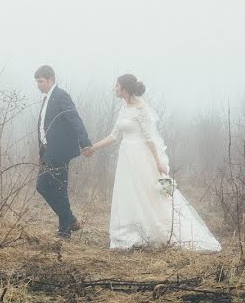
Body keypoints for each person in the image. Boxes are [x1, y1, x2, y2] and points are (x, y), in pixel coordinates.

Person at [85, 74, 221, 251]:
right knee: (129, 193)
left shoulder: (141, 109)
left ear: (125, 89)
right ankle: (130, 233)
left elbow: (150, 139)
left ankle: (154, 231)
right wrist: (93, 148)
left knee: (150, 194)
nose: (115, 89)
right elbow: (114, 136)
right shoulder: (123, 107)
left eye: (117, 86)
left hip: (142, 157)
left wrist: (158, 162)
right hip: (126, 157)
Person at [34, 65, 92, 238]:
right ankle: (70, 221)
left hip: (60, 151)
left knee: (58, 189)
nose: (38, 85)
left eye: (41, 81)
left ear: (51, 79)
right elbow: (44, 127)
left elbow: (75, 119)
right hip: (47, 151)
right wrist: (41, 152)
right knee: (42, 186)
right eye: (37, 82)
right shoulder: (46, 98)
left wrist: (85, 142)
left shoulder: (60, 96)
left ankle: (65, 229)